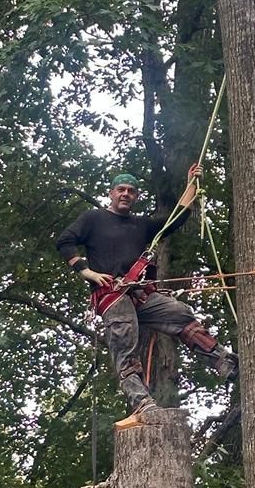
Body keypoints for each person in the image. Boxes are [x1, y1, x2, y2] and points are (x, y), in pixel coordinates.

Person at [56, 165, 238, 427]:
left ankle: (222, 360)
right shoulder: (93, 219)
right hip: (112, 294)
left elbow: (174, 220)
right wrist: (87, 272)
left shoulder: (141, 225)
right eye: (121, 189)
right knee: (125, 342)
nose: (126, 194)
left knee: (180, 314)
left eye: (131, 191)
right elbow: (65, 241)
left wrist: (192, 185)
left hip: (140, 294)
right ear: (111, 193)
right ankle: (141, 401)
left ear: (136, 196)